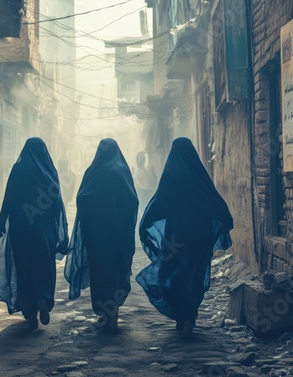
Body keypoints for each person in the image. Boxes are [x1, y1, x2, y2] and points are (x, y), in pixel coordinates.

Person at [136, 137, 233, 339]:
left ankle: (183, 316)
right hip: (199, 236)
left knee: (170, 273)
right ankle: (188, 317)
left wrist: (146, 225)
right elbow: (216, 204)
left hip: (176, 237)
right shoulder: (198, 174)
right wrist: (220, 224)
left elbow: (158, 205)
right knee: (193, 274)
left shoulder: (171, 175)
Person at [0, 137, 68, 329]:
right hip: (45, 233)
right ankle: (43, 298)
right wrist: (62, 235)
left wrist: (1, 224)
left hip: (22, 232)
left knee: (25, 271)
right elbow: (58, 206)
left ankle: (30, 311)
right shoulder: (49, 172)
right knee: (44, 269)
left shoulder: (18, 170)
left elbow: (8, 201)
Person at [64, 138, 139, 331]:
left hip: (97, 235)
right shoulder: (122, 172)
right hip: (118, 234)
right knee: (117, 270)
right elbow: (132, 202)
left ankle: (106, 311)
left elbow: (82, 198)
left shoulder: (93, 172)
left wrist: (91, 220)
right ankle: (113, 311)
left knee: (101, 272)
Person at [134, 151, 156, 218]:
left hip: (147, 194)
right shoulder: (138, 174)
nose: (141, 161)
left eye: (143, 159)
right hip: (142, 194)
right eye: (140, 159)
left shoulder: (146, 172)